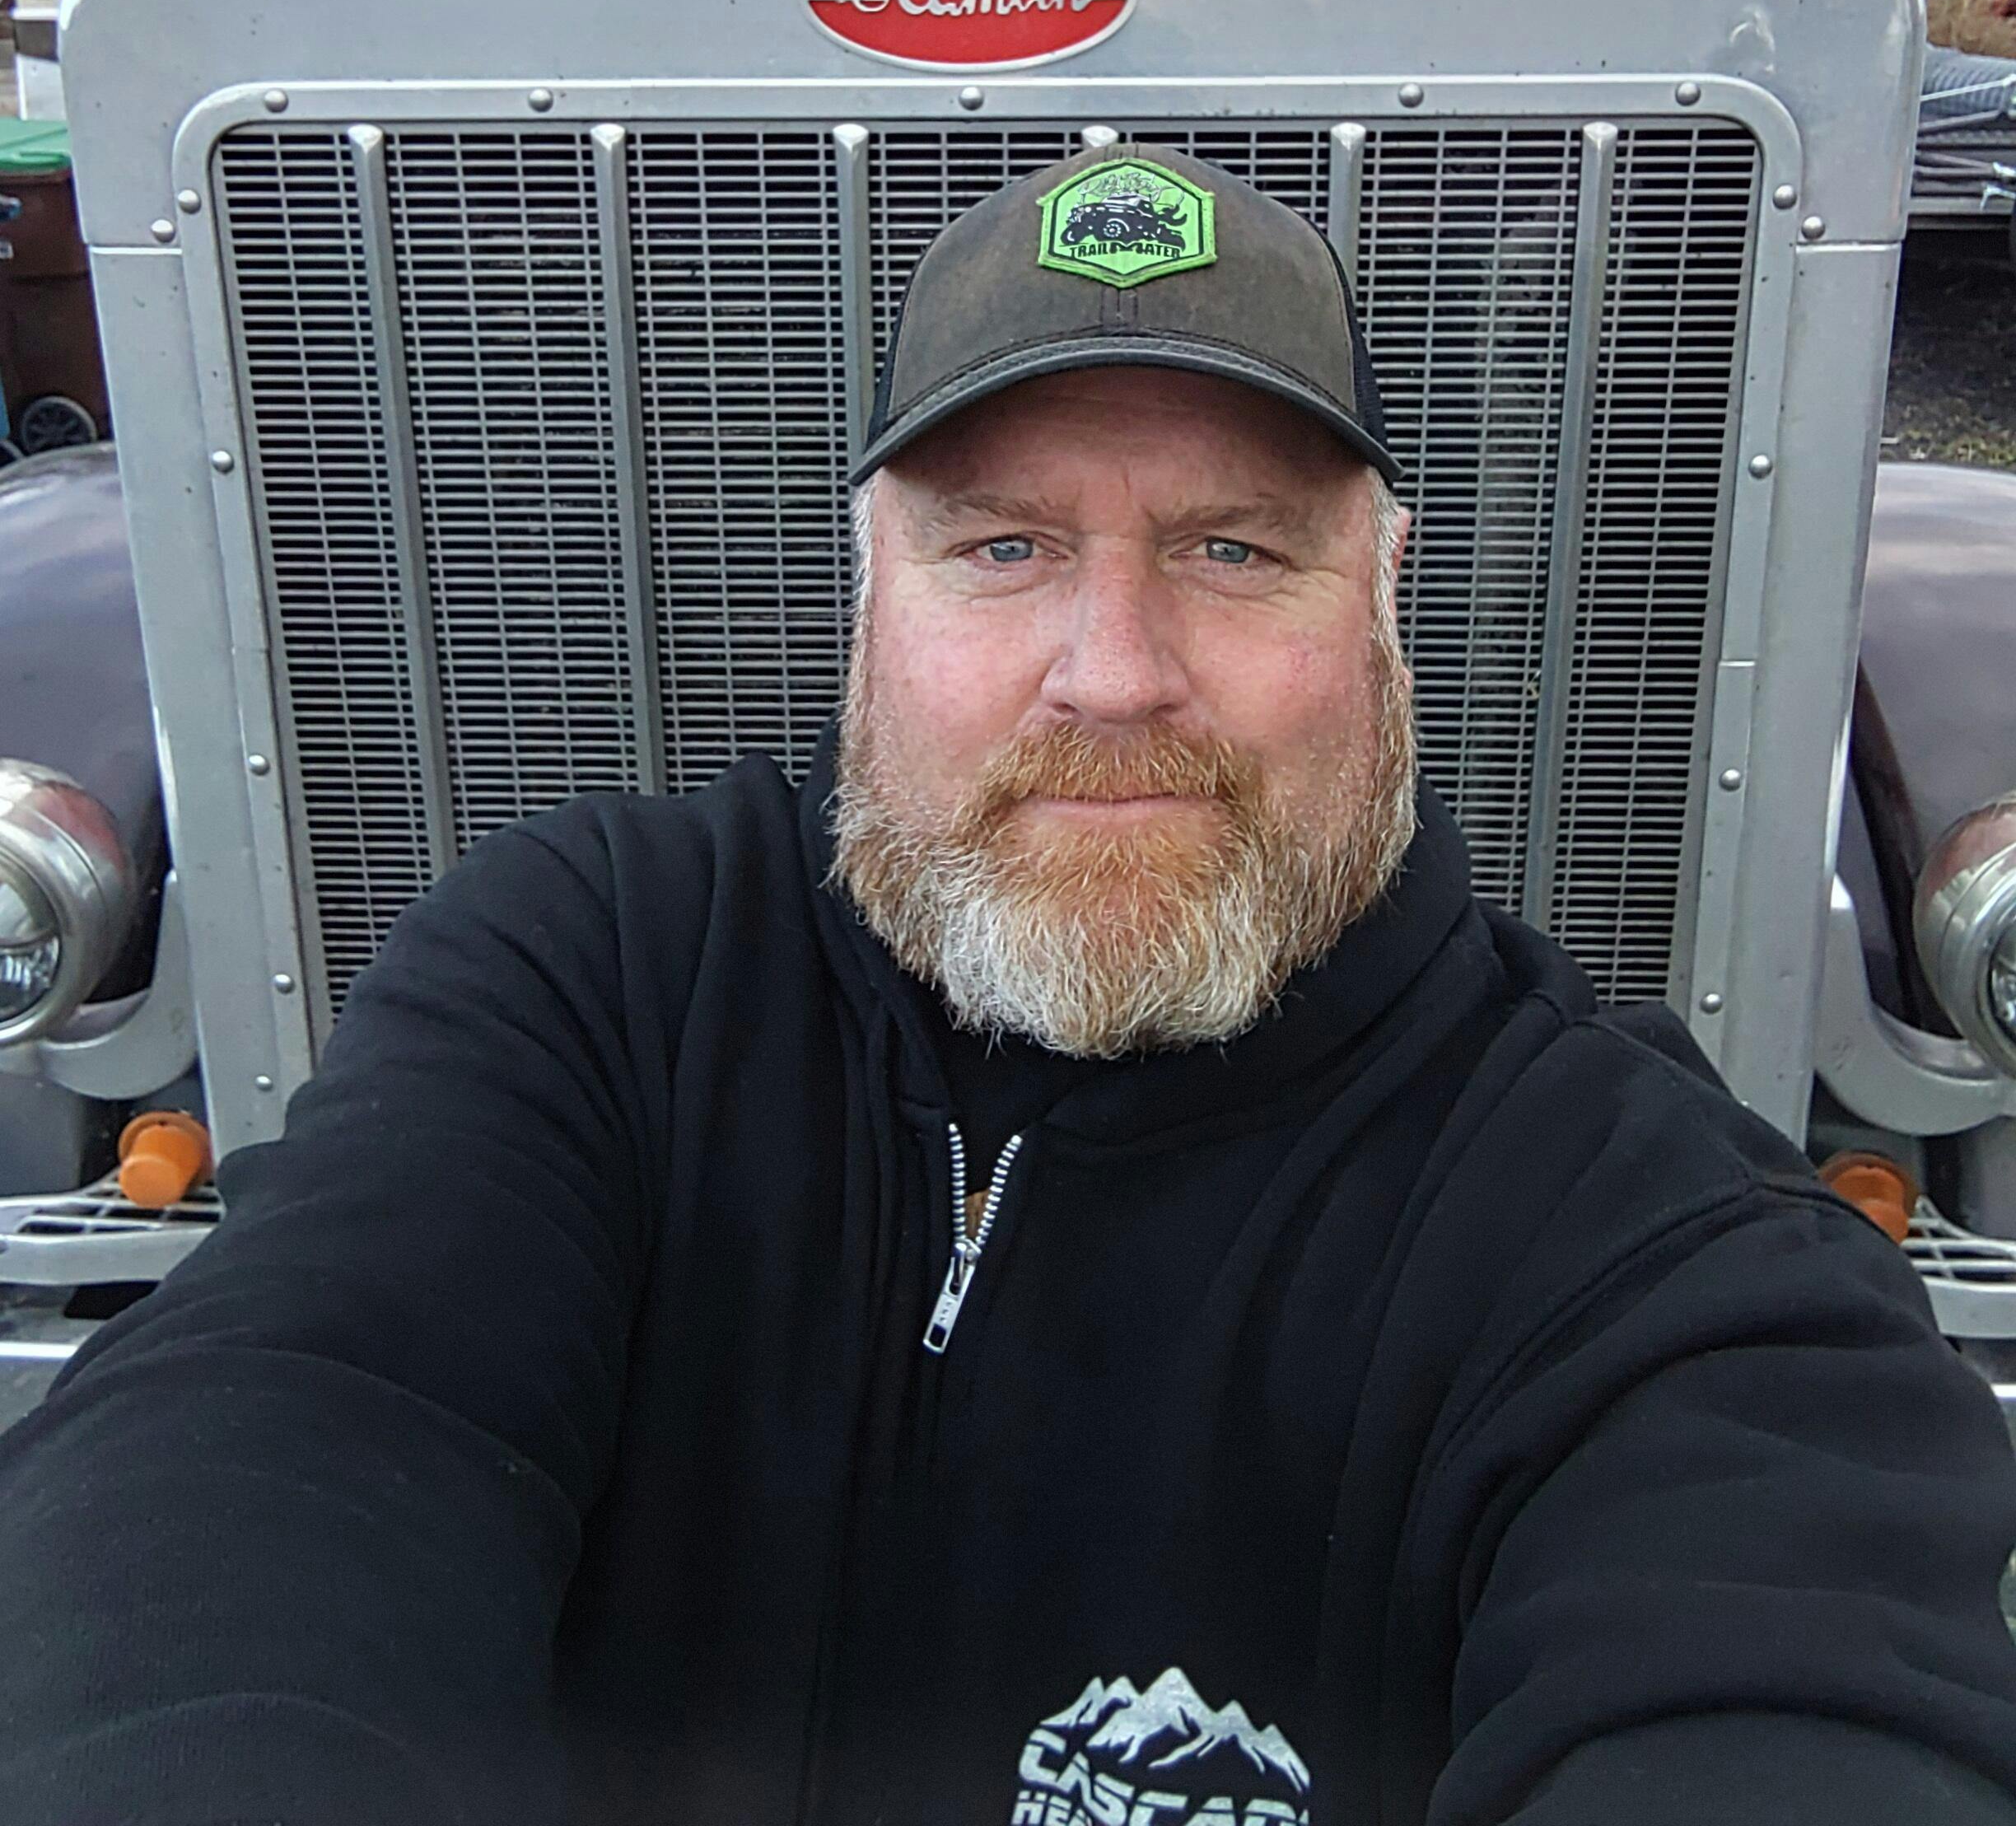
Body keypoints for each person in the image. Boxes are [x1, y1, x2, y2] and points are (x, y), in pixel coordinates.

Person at [2, 147, 2014, 1826]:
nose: (1114, 674)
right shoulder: (594, 976)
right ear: (867, 602)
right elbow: (269, 1436)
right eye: (1002, 551)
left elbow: (1793, 1686)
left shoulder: (1626, 1228)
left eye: (1236, 553)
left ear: (1385, 608)